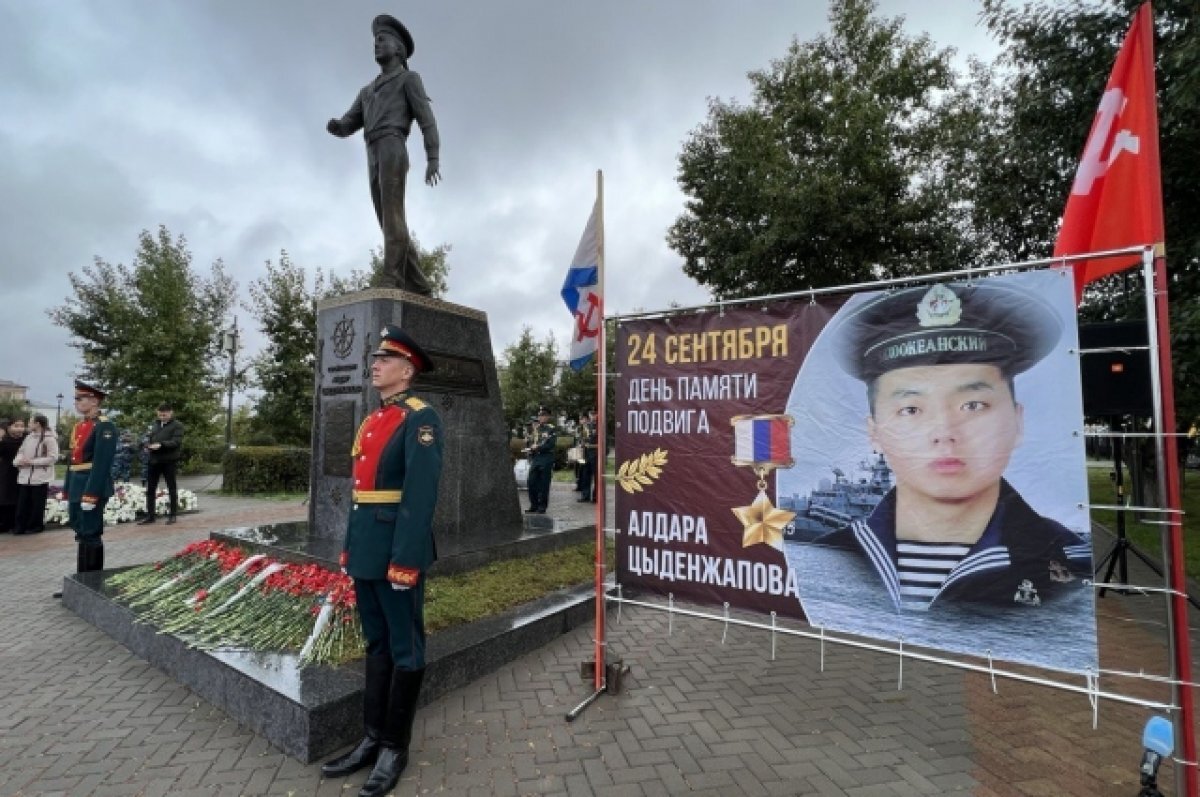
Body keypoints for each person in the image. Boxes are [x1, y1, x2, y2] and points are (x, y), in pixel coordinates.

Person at [819, 280, 1092, 611]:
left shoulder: (1075, 564)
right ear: (875, 433)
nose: (945, 433)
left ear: (1017, 423)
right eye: (911, 410)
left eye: (973, 405)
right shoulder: (825, 559)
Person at [321, 325, 442, 797]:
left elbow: (419, 494)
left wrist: (406, 558)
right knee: (376, 645)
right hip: (368, 550)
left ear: (406, 370)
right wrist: (352, 547)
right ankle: (371, 739)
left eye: (384, 359)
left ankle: (395, 746)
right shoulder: (374, 418)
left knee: (405, 648)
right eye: (374, 358)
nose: (374, 364)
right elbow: (360, 495)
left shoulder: (421, 418)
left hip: (397, 551)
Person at [327, 14, 440, 295]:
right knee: (386, 218)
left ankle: (392, 279)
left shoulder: (409, 79)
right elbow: (350, 121)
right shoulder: (366, 91)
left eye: (382, 39)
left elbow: (427, 119)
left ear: (399, 48)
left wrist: (433, 157)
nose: (376, 45)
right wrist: (338, 127)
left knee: (392, 216)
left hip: (392, 144)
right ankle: (419, 284)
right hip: (372, 149)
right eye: (374, 41)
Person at [60, 381, 117, 591]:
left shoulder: (105, 426)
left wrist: (91, 494)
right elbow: (73, 461)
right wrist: (67, 488)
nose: (76, 402)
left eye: (80, 398)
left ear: (94, 401)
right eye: (76, 398)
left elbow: (102, 463)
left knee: (91, 533)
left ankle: (92, 584)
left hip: (92, 486)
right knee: (80, 531)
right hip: (77, 484)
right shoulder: (80, 425)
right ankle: (80, 583)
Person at [138, 403, 185, 525]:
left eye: (164, 415)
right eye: (160, 415)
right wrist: (146, 445)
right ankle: (150, 515)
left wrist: (161, 445)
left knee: (171, 488)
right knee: (150, 489)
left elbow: (176, 442)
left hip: (169, 461)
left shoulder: (177, 425)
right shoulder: (155, 424)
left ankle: (173, 515)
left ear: (170, 413)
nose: (162, 417)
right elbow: (149, 437)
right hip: (154, 460)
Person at [13, 414, 59, 535]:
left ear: (38, 424)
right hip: (25, 475)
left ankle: (35, 526)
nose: (28, 424)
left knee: (37, 504)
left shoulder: (49, 439)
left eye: (30, 422)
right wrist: (18, 462)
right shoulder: (29, 437)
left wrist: (33, 462)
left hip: (40, 477)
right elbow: (21, 452)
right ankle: (20, 526)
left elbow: (53, 457)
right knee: (22, 503)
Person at [524, 407, 557, 514]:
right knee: (531, 482)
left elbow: (551, 444)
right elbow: (530, 441)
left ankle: (542, 506)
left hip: (546, 458)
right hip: (536, 458)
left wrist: (538, 447)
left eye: (543, 415)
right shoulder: (536, 429)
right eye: (539, 415)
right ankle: (534, 505)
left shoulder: (551, 429)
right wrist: (529, 446)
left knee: (543, 483)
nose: (541, 417)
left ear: (547, 417)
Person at [0, 418, 24, 532]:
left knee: (18, 497)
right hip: (6, 472)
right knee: (5, 496)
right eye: (16, 426)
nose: (19, 429)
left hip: (22, 472)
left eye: (21, 426)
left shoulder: (26, 440)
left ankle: (15, 522)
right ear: (9, 428)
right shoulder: (4, 441)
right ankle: (5, 523)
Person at [577, 408, 599, 503]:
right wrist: (582, 444)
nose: (592, 416)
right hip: (586, 454)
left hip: (596, 453)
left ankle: (596, 497)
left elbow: (604, 442)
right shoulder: (586, 426)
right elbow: (583, 438)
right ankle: (585, 496)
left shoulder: (600, 426)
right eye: (591, 414)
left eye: (594, 414)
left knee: (596, 476)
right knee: (585, 475)